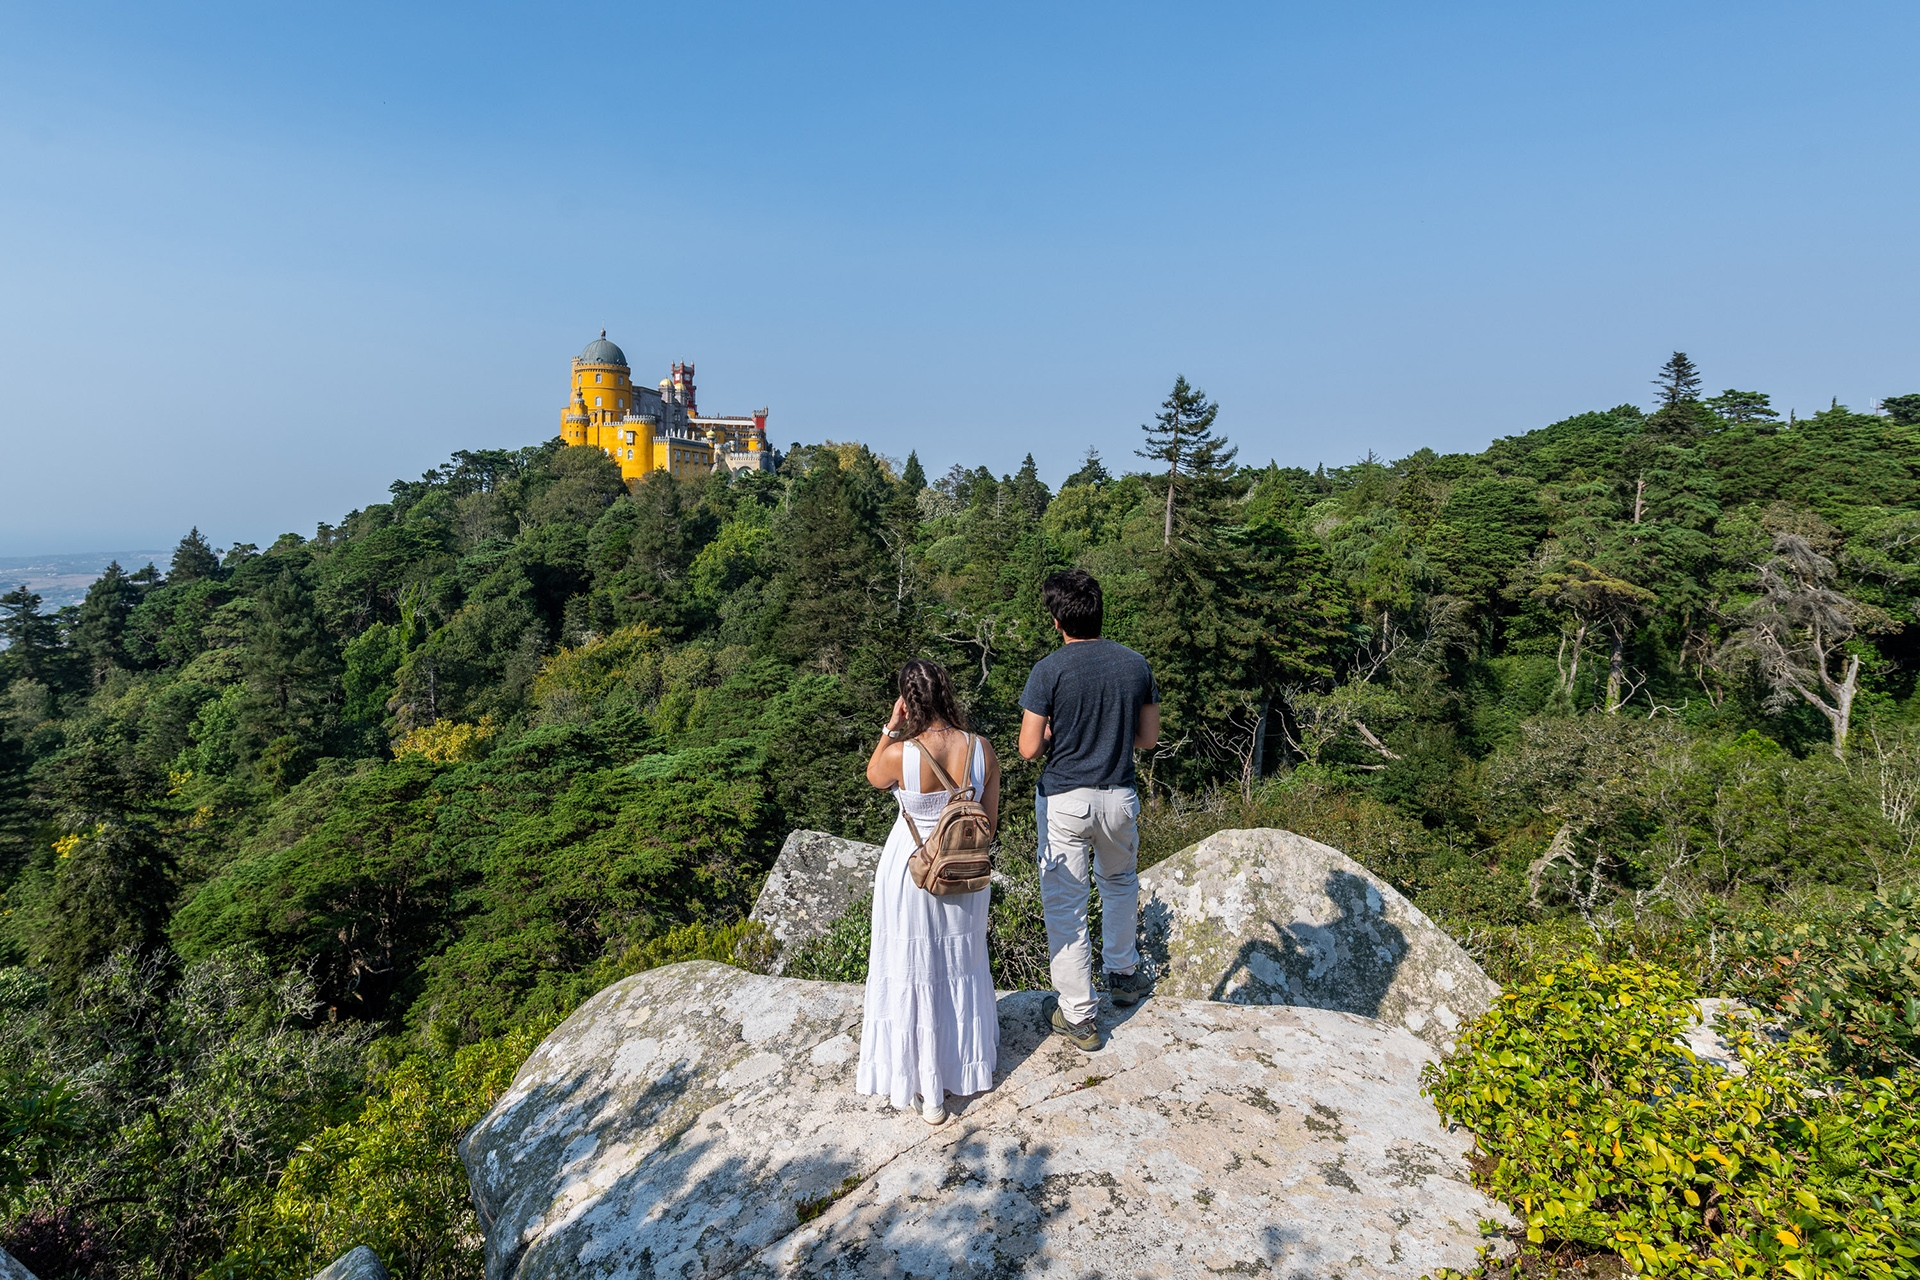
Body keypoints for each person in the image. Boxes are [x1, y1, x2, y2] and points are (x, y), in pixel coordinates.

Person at [855, 658, 1003, 1126]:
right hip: (965, 871)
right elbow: (990, 823)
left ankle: (927, 1091)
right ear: (947, 693)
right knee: (960, 964)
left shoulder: (903, 753)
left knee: (913, 968)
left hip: (913, 870)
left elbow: (872, 775)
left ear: (908, 700)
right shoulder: (984, 750)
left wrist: (889, 727)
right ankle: (965, 1066)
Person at [1018, 569, 1161, 1052]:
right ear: (1101, 610)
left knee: (1067, 903)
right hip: (1119, 795)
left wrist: (1059, 733)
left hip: (1066, 800)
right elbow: (1147, 739)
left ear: (1058, 620)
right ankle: (1123, 974)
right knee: (1119, 884)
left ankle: (1078, 1014)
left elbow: (1028, 748)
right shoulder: (1136, 665)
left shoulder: (1049, 670)